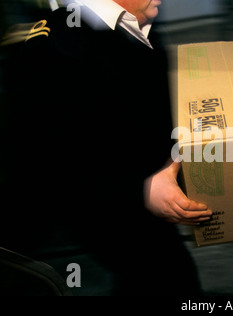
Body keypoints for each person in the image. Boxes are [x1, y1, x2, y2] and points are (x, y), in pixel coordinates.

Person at [1, 0, 212, 295]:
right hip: (105, 210)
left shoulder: (137, 23)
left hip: (140, 203)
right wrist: (144, 190)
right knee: (168, 277)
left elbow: (141, 111)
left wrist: (170, 162)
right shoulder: (53, 49)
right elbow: (47, 164)